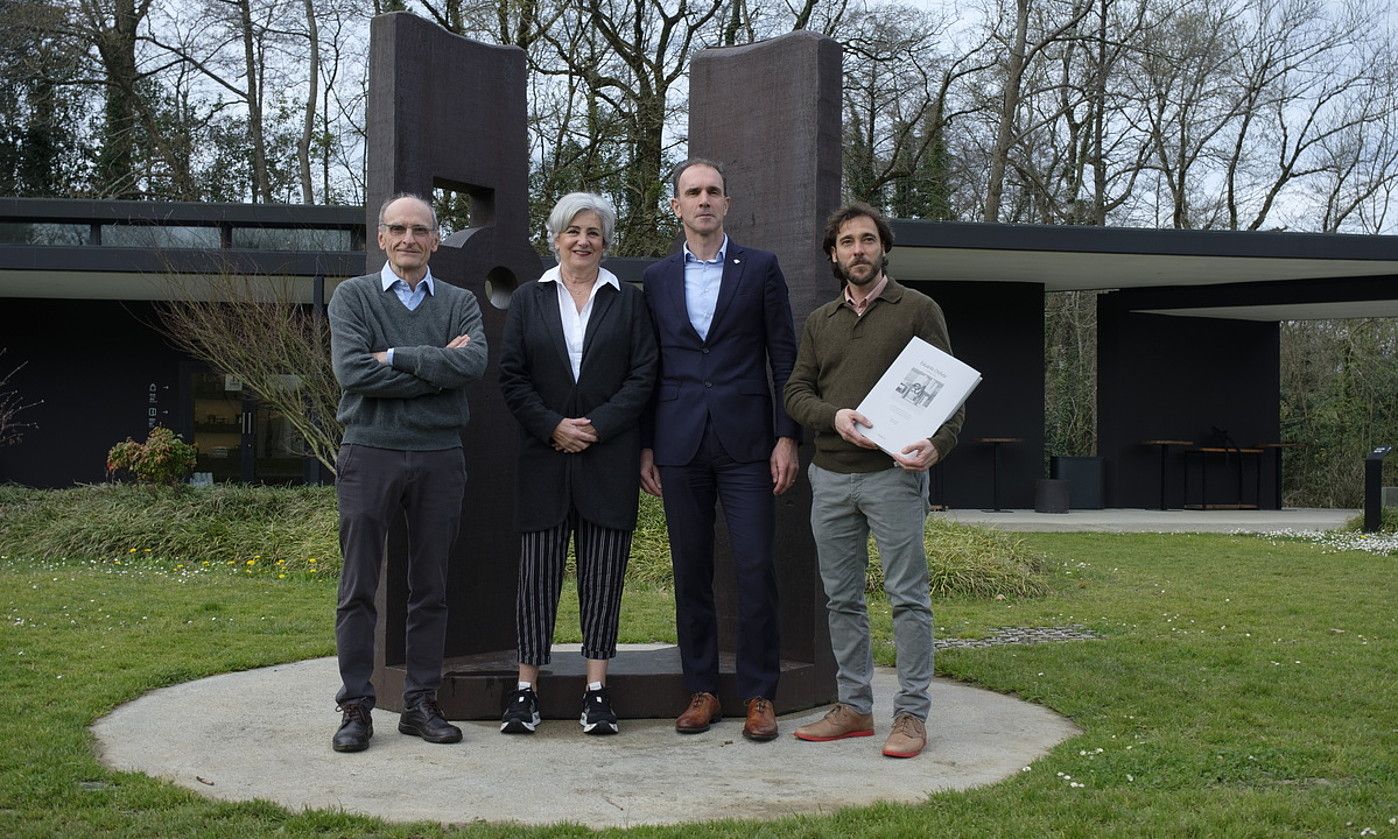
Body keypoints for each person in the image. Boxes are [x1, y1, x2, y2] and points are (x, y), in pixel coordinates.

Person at [783, 202, 964, 759]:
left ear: (883, 247)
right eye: (846, 243)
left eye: (867, 240)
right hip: (831, 478)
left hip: (893, 478)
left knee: (908, 599)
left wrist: (938, 444)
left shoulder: (917, 309)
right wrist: (832, 417)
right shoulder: (820, 322)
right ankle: (855, 707)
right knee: (842, 602)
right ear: (833, 255)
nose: (857, 250)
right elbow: (796, 394)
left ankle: (911, 715)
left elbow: (949, 391)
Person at [640, 158, 799, 742]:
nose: (704, 200)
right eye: (692, 192)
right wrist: (647, 446)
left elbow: (784, 355)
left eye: (713, 192)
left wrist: (786, 434)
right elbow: (648, 368)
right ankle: (701, 688)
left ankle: (760, 694)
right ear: (677, 206)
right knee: (691, 571)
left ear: (727, 204)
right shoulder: (655, 278)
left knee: (756, 566)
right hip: (679, 444)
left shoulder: (759, 268)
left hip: (748, 444)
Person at [327, 193, 488, 753]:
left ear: (436, 240)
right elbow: (351, 371)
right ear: (381, 237)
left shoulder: (461, 301)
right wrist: (435, 365)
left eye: (420, 230)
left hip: (441, 455)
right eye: (397, 229)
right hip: (368, 450)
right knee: (358, 587)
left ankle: (420, 703)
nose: (408, 239)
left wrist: (392, 357)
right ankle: (355, 706)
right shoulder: (352, 297)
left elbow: (471, 364)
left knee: (431, 587)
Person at [497, 193, 657, 735]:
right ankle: (526, 691)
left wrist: (596, 427)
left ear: (606, 242)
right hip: (543, 458)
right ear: (557, 238)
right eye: (573, 231)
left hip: (607, 457)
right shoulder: (527, 299)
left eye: (593, 232)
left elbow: (643, 377)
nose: (583, 240)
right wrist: (552, 427)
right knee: (536, 580)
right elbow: (512, 377)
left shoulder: (629, 302)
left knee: (603, 577)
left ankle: (596, 691)